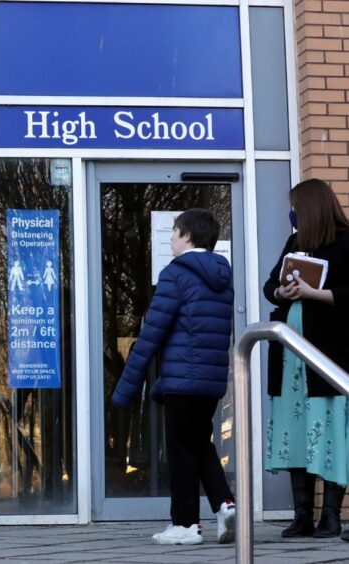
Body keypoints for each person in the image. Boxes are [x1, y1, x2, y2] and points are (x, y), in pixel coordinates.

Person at [112, 209, 236, 545]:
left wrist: (125, 388)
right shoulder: (223, 276)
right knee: (198, 442)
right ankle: (225, 504)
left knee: (182, 449)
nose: (170, 238)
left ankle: (186, 524)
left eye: (174, 232)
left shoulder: (175, 274)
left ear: (187, 236)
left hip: (182, 378)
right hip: (210, 380)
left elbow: (152, 332)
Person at [263, 178, 349, 541]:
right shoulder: (295, 243)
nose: (292, 215)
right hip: (290, 358)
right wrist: (283, 290)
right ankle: (302, 516)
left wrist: (316, 293)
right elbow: (271, 286)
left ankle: (330, 516)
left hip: (327, 354)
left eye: (296, 207)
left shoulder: (345, 241)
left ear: (310, 208)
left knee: (328, 432)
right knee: (295, 431)